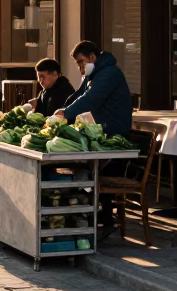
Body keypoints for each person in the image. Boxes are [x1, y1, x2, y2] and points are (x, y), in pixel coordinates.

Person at [55, 40, 133, 237]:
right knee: (82, 166)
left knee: (89, 168)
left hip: (113, 135)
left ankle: (102, 219)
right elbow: (78, 96)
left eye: (81, 62)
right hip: (101, 132)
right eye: (77, 64)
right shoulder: (93, 74)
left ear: (92, 58)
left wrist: (66, 113)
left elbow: (91, 99)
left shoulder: (109, 73)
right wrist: (60, 111)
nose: (80, 67)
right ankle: (90, 215)